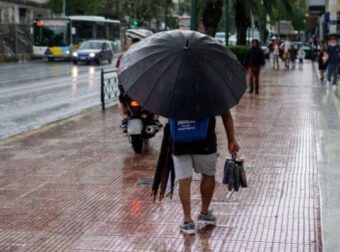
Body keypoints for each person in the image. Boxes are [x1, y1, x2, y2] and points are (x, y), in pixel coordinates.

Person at [172, 111, 240, 235]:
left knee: (184, 179)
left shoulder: (171, 91)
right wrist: (231, 140)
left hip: (179, 138)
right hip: (205, 140)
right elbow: (226, 114)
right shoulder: (212, 91)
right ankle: (204, 213)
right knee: (208, 175)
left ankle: (187, 221)